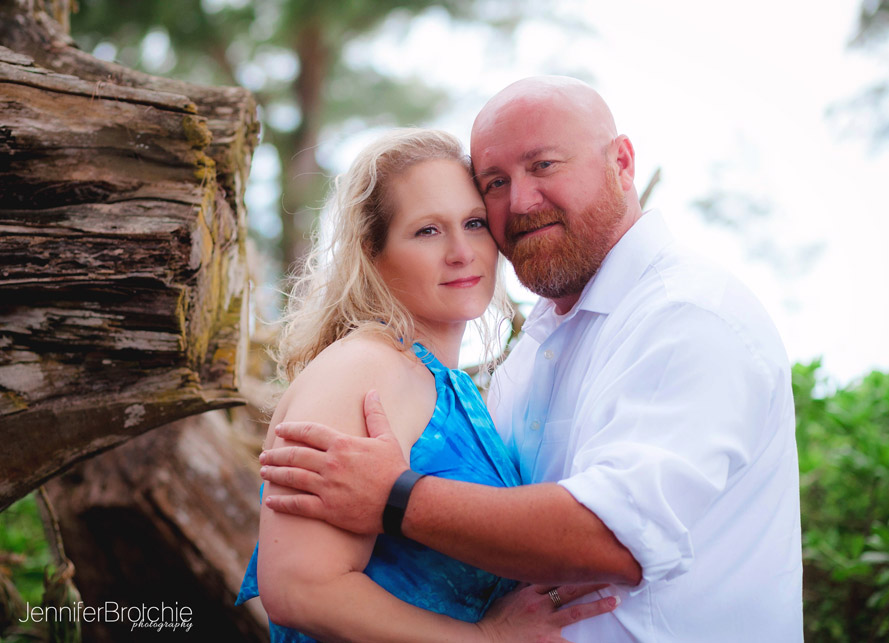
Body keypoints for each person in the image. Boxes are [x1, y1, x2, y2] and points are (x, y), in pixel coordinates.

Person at [259, 77, 804, 642]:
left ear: (621, 162)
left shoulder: (689, 315)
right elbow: (300, 586)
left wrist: (397, 497)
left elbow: (615, 539)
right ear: (371, 255)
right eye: (495, 182)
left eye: (543, 165)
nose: (519, 202)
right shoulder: (486, 352)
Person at [236, 127, 619, 642]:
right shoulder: (363, 368)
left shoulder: (453, 387)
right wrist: (486, 639)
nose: (462, 252)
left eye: (475, 223)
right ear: (373, 253)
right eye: (427, 231)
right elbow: (299, 588)